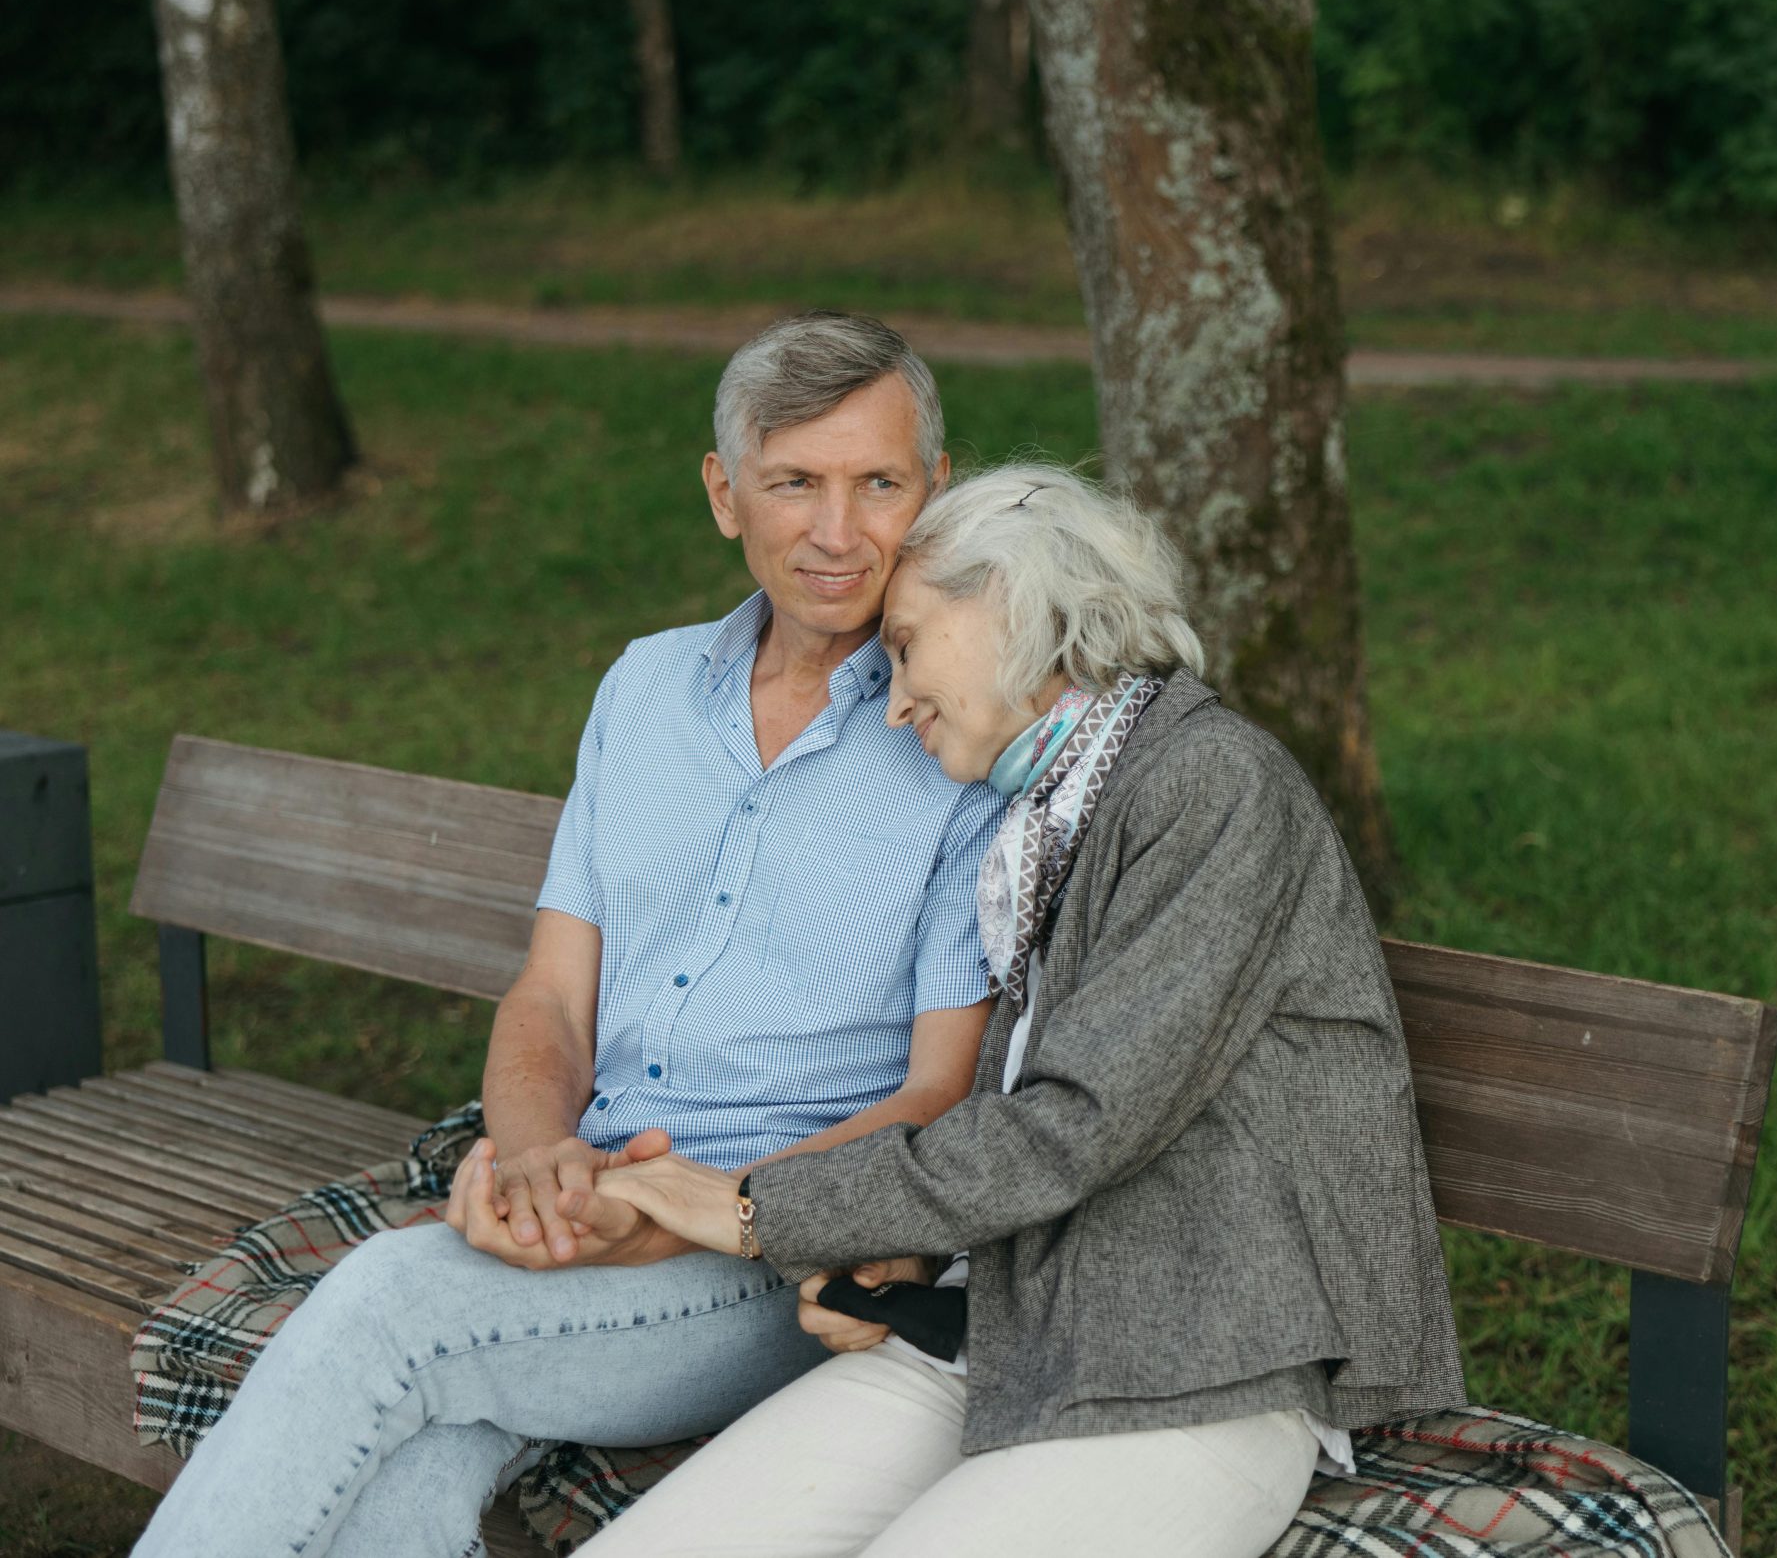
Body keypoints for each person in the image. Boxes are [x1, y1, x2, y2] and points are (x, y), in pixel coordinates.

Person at [133, 313, 1005, 1558]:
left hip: (770, 1260)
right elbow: (550, 993)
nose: (836, 532)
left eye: (878, 484)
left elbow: (941, 1097)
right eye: (793, 482)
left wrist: (673, 1208)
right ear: (724, 495)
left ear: (936, 492)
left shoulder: (958, 738)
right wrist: (536, 1164)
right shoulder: (644, 688)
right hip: (584, 1199)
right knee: (420, 1448)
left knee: (386, 1303)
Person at [568, 463, 1466, 1558]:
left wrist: (761, 1208)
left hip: (1195, 1360)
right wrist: (901, 1250)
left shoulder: (1210, 786)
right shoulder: (1043, 819)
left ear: (1013, 606)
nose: (892, 702)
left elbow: (1075, 1123)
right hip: (1000, 1333)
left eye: (902, 644)